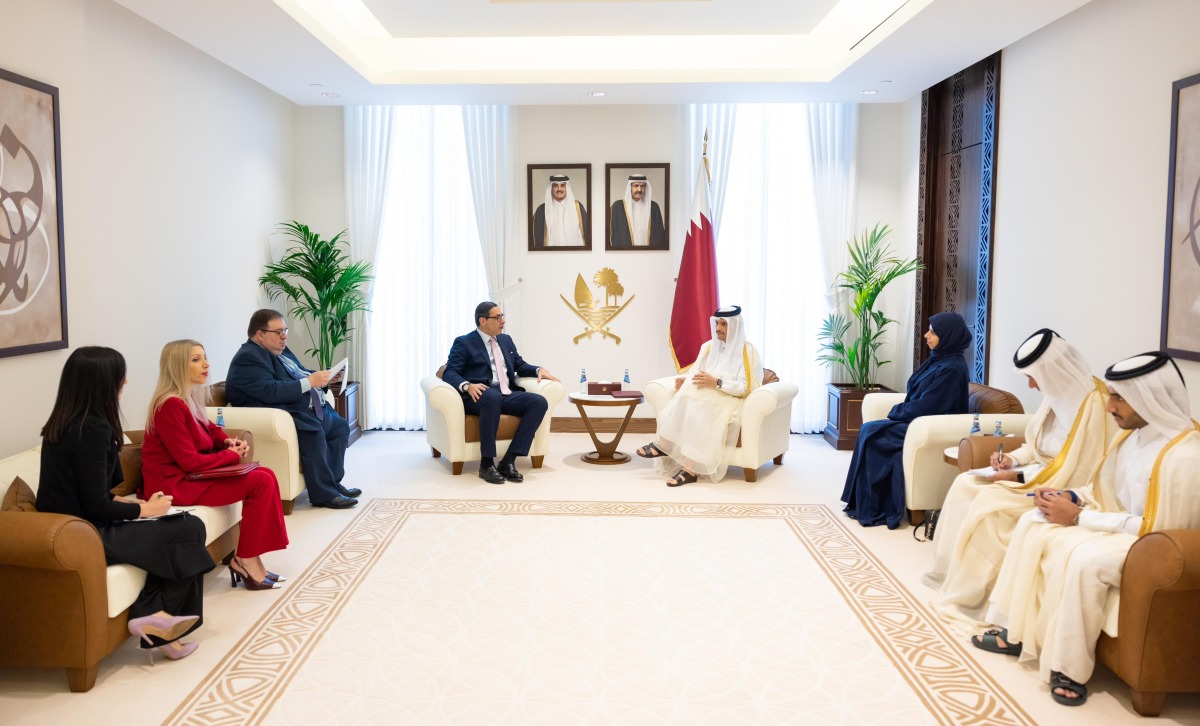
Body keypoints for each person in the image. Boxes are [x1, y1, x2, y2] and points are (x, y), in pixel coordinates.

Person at [976, 351, 1200, 707]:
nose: (1109, 407)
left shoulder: (1184, 456)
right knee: (1032, 523)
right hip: (1116, 524)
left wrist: (1078, 518)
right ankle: (1014, 632)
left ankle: (1069, 670)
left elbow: (1157, 530)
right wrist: (1069, 497)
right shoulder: (1131, 437)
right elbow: (1103, 491)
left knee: (1084, 560)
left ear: (1150, 397)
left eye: (1119, 398)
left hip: (1149, 545)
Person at [923, 329, 1111, 631]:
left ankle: (977, 596)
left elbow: (1080, 472)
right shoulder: (1055, 398)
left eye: (1033, 377)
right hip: (1035, 473)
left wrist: (1018, 475)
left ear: (1051, 371)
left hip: (1058, 486)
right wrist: (1012, 459)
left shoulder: (1095, 409)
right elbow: (1036, 447)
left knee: (989, 504)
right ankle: (950, 576)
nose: (1031, 385)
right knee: (965, 483)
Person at [35, 347, 213, 663]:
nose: (126, 382)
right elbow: (96, 506)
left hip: (76, 527)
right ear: (101, 381)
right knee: (188, 529)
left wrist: (136, 505)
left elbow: (82, 493)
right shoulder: (92, 430)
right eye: (120, 376)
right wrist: (145, 510)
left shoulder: (64, 425)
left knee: (181, 529)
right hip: (86, 534)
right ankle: (159, 624)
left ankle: (152, 615)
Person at [141, 339, 290, 591]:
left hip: (188, 478)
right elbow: (189, 462)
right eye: (196, 360)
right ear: (177, 366)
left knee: (265, 474)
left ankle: (250, 557)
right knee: (260, 481)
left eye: (205, 357)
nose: (206, 365)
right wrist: (231, 455)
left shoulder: (187, 399)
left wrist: (228, 442)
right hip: (174, 484)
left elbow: (210, 429)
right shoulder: (169, 405)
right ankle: (245, 560)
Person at [841, 311, 971, 529]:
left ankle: (875, 507)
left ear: (948, 336)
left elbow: (930, 404)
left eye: (932, 332)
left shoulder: (952, 368)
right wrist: (901, 411)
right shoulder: (939, 359)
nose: (926, 335)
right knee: (868, 429)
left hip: (931, 427)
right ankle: (862, 502)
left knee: (872, 432)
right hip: (918, 421)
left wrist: (897, 411)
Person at [226, 309, 361, 509]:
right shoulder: (248, 357)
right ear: (260, 334)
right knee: (313, 430)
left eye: (285, 330)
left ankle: (333, 483)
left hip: (301, 405)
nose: (284, 336)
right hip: (279, 409)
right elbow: (270, 390)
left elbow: (300, 373)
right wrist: (310, 381)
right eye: (278, 332)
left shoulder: (280, 350)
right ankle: (324, 494)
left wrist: (324, 378)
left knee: (339, 427)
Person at [635, 306, 763, 486]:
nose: (718, 328)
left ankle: (688, 467)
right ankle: (668, 447)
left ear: (735, 326)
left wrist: (717, 383)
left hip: (730, 398)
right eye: (717, 323)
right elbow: (698, 372)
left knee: (702, 403)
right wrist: (686, 379)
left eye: (724, 324)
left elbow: (745, 387)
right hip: (708, 393)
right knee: (688, 393)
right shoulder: (709, 347)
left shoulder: (748, 352)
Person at [441, 301, 559, 484]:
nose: (502, 321)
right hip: (479, 395)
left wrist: (538, 370)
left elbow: (519, 364)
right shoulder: (464, 342)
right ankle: (486, 464)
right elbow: (450, 372)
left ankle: (508, 460)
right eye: (497, 318)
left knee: (539, 402)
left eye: (502, 316)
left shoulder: (505, 340)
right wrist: (467, 386)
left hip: (505, 393)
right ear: (482, 320)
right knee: (492, 397)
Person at [609, 174, 665, 248]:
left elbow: (660, 234)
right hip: (625, 252)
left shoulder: (654, 207)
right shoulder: (618, 207)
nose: (639, 189)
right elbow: (612, 232)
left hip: (649, 252)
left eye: (642, 186)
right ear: (630, 188)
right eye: (636, 186)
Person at [532, 175, 588, 248]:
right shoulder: (541, 210)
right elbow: (537, 238)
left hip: (575, 253)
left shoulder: (578, 208)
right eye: (555, 186)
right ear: (551, 188)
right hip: (550, 254)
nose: (559, 189)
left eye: (562, 186)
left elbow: (588, 234)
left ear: (567, 188)